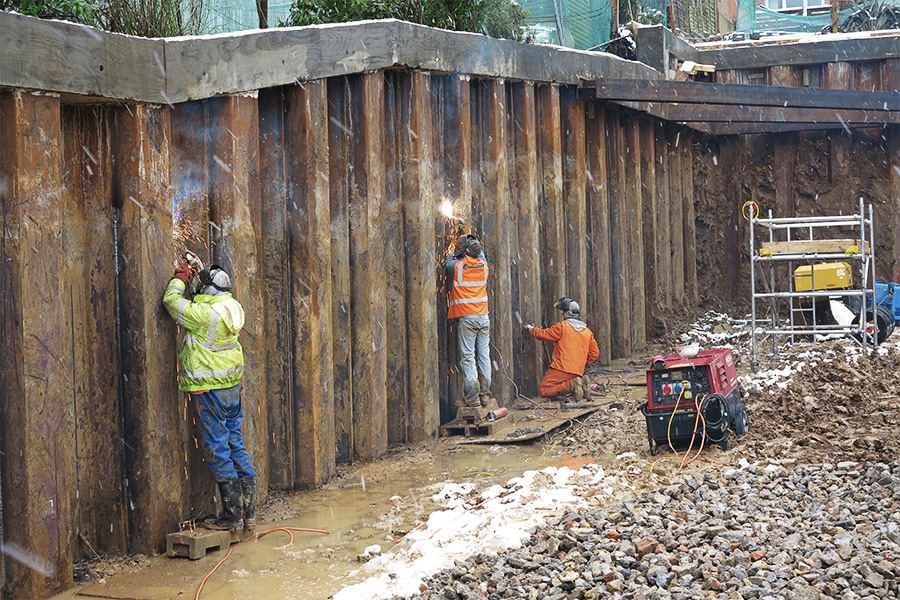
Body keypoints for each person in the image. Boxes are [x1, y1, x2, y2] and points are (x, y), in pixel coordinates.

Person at [163, 254, 257, 533]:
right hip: (230, 388)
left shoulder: (204, 315)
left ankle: (230, 516)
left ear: (207, 290)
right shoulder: (233, 307)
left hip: (208, 391)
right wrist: (201, 270)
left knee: (217, 449)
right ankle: (248, 514)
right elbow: (211, 289)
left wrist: (180, 278)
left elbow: (171, 303)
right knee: (235, 444)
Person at [446, 234, 498, 414]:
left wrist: (454, 244)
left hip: (468, 319)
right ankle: (485, 394)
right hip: (483, 317)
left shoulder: (457, 266)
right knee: (484, 357)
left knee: (468, 358)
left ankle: (473, 398)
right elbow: (479, 253)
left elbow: (448, 259)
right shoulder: (484, 266)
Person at [525, 297, 600, 400]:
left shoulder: (563, 326)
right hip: (578, 371)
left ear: (567, 313)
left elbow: (544, 335)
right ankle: (579, 385)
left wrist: (531, 329)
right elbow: (595, 353)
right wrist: (581, 363)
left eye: (563, 312)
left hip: (561, 368)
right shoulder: (587, 332)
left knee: (544, 390)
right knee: (560, 389)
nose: (562, 314)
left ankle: (572, 385)